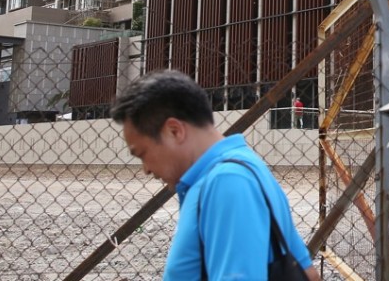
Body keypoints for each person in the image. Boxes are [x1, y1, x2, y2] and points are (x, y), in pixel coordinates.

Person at [111, 70, 322, 281]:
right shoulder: (243, 167)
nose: (146, 169)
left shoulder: (226, 182)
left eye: (142, 153)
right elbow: (308, 273)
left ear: (174, 131)